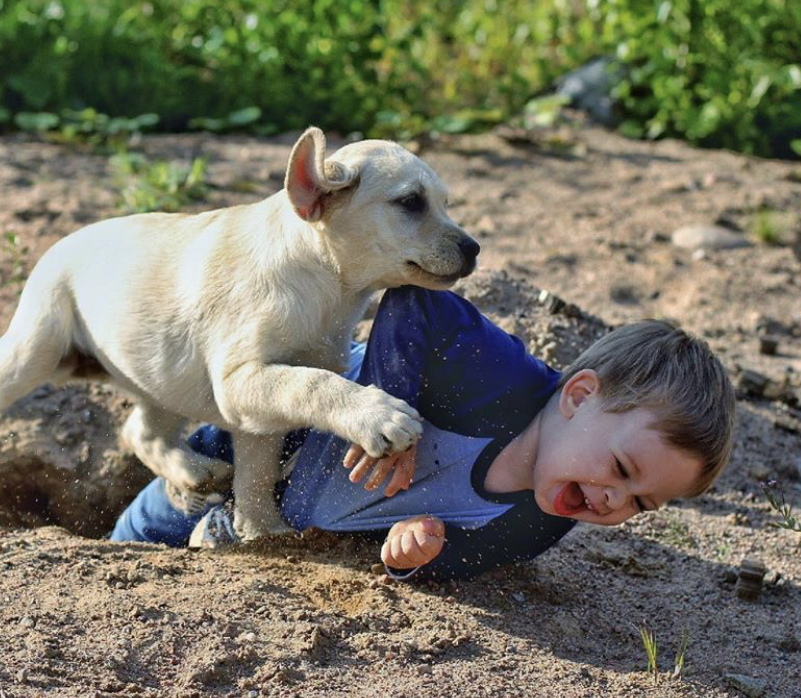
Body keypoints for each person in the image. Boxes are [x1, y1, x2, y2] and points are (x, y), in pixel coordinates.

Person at [111, 286, 735, 581]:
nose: (611, 502)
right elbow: (417, 304)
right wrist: (389, 417)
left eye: (640, 504)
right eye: (622, 471)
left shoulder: (544, 522)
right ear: (578, 396)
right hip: (273, 438)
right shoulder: (498, 379)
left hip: (306, 511)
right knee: (157, 519)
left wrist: (415, 554)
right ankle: (110, 546)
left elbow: (473, 557)